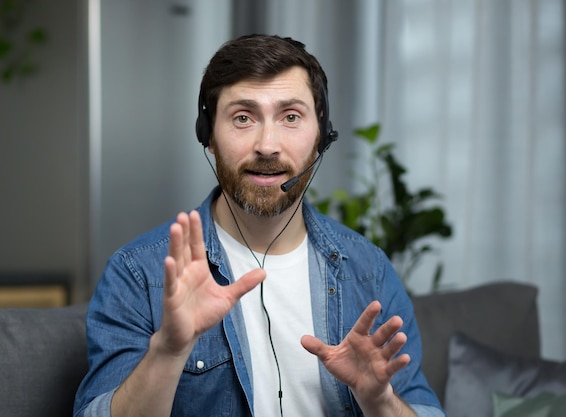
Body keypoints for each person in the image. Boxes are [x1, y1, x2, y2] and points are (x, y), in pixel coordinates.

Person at [73, 34, 445, 417]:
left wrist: (379, 401)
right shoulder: (139, 273)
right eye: (243, 118)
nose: (267, 145)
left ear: (322, 136)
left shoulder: (370, 271)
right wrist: (168, 351)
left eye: (290, 117)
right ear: (209, 136)